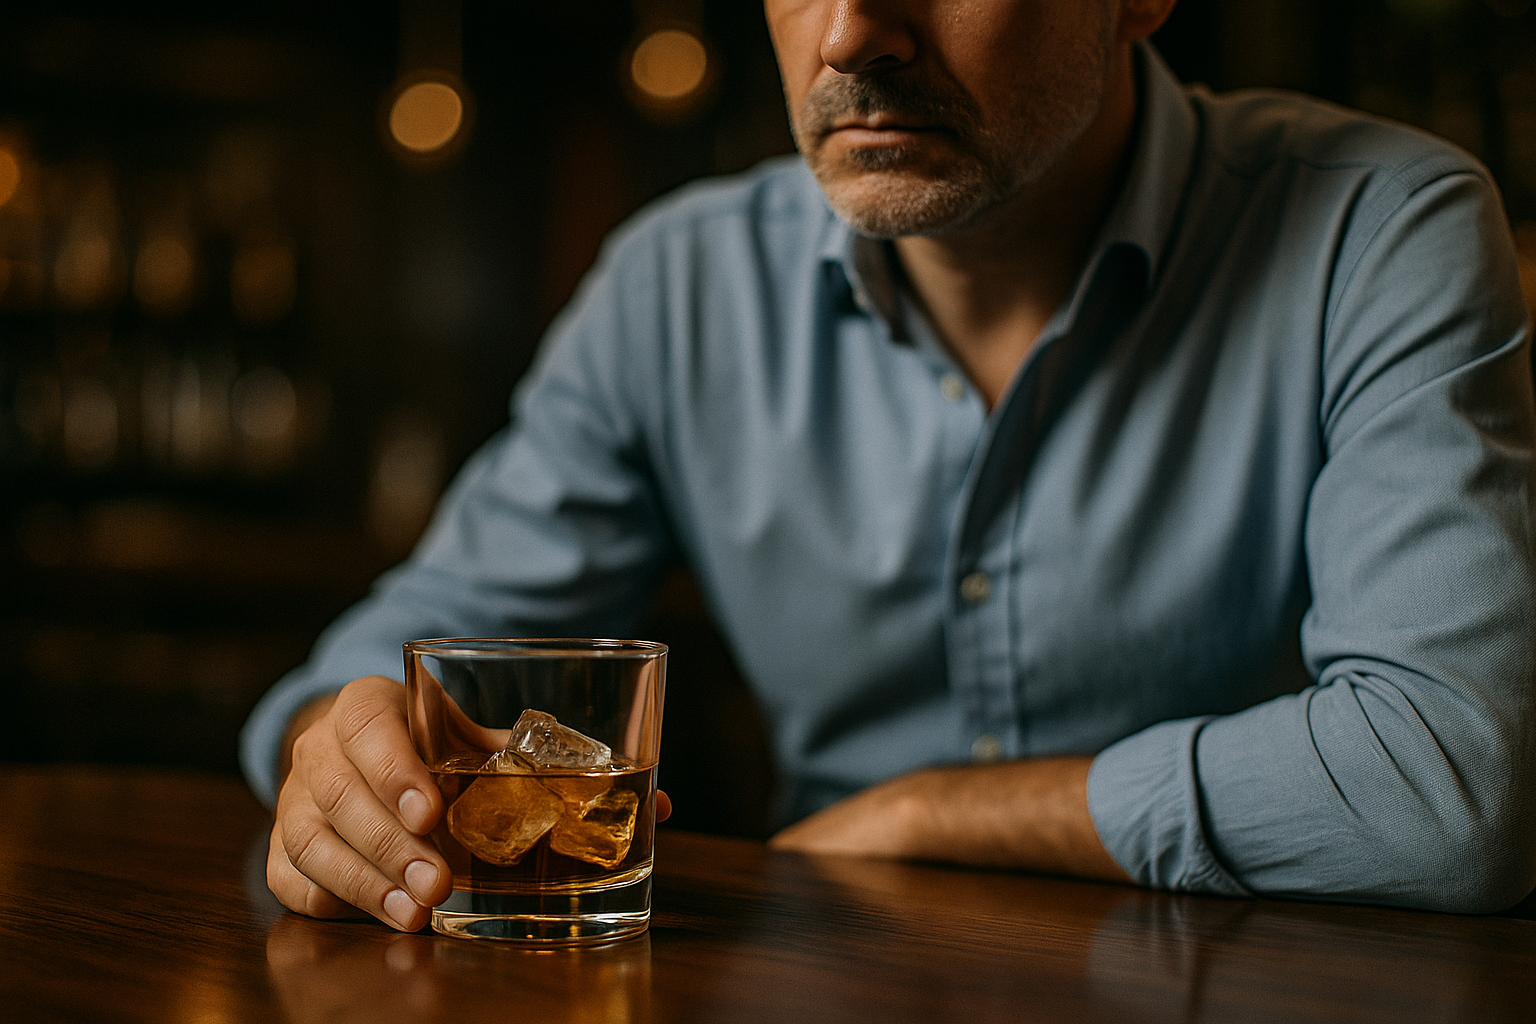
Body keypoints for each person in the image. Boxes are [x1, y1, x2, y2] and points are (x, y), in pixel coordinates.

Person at [242, 0, 1536, 932]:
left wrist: (932, 815)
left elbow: (1456, 785)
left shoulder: (1381, 231)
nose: (853, 33)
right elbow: (379, 664)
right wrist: (343, 752)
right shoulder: (680, 286)